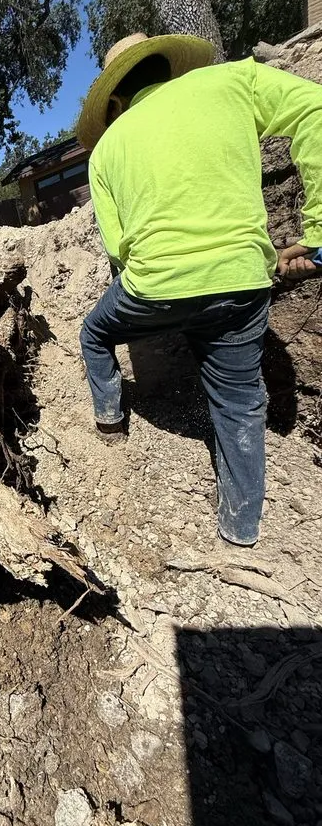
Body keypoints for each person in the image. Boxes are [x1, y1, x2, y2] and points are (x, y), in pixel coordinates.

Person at [75, 32, 322, 547]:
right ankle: (240, 526)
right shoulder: (233, 80)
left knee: (95, 334)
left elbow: (118, 250)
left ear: (114, 101)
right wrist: (319, 234)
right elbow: (315, 108)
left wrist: (165, 284)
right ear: (168, 67)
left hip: (152, 288)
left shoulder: (104, 154)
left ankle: (109, 422)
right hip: (242, 280)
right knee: (238, 402)